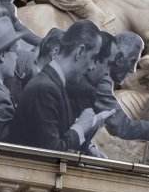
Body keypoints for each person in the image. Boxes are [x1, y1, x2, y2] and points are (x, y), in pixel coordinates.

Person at [68, 31, 149, 157]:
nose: (133, 69)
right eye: (132, 62)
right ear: (118, 59)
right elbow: (123, 127)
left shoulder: (93, 63)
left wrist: (87, 146)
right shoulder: (100, 78)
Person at [10, 20, 115, 151]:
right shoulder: (45, 89)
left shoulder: (54, 85)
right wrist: (80, 128)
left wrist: (90, 125)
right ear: (80, 52)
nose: (91, 66)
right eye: (93, 57)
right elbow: (52, 153)